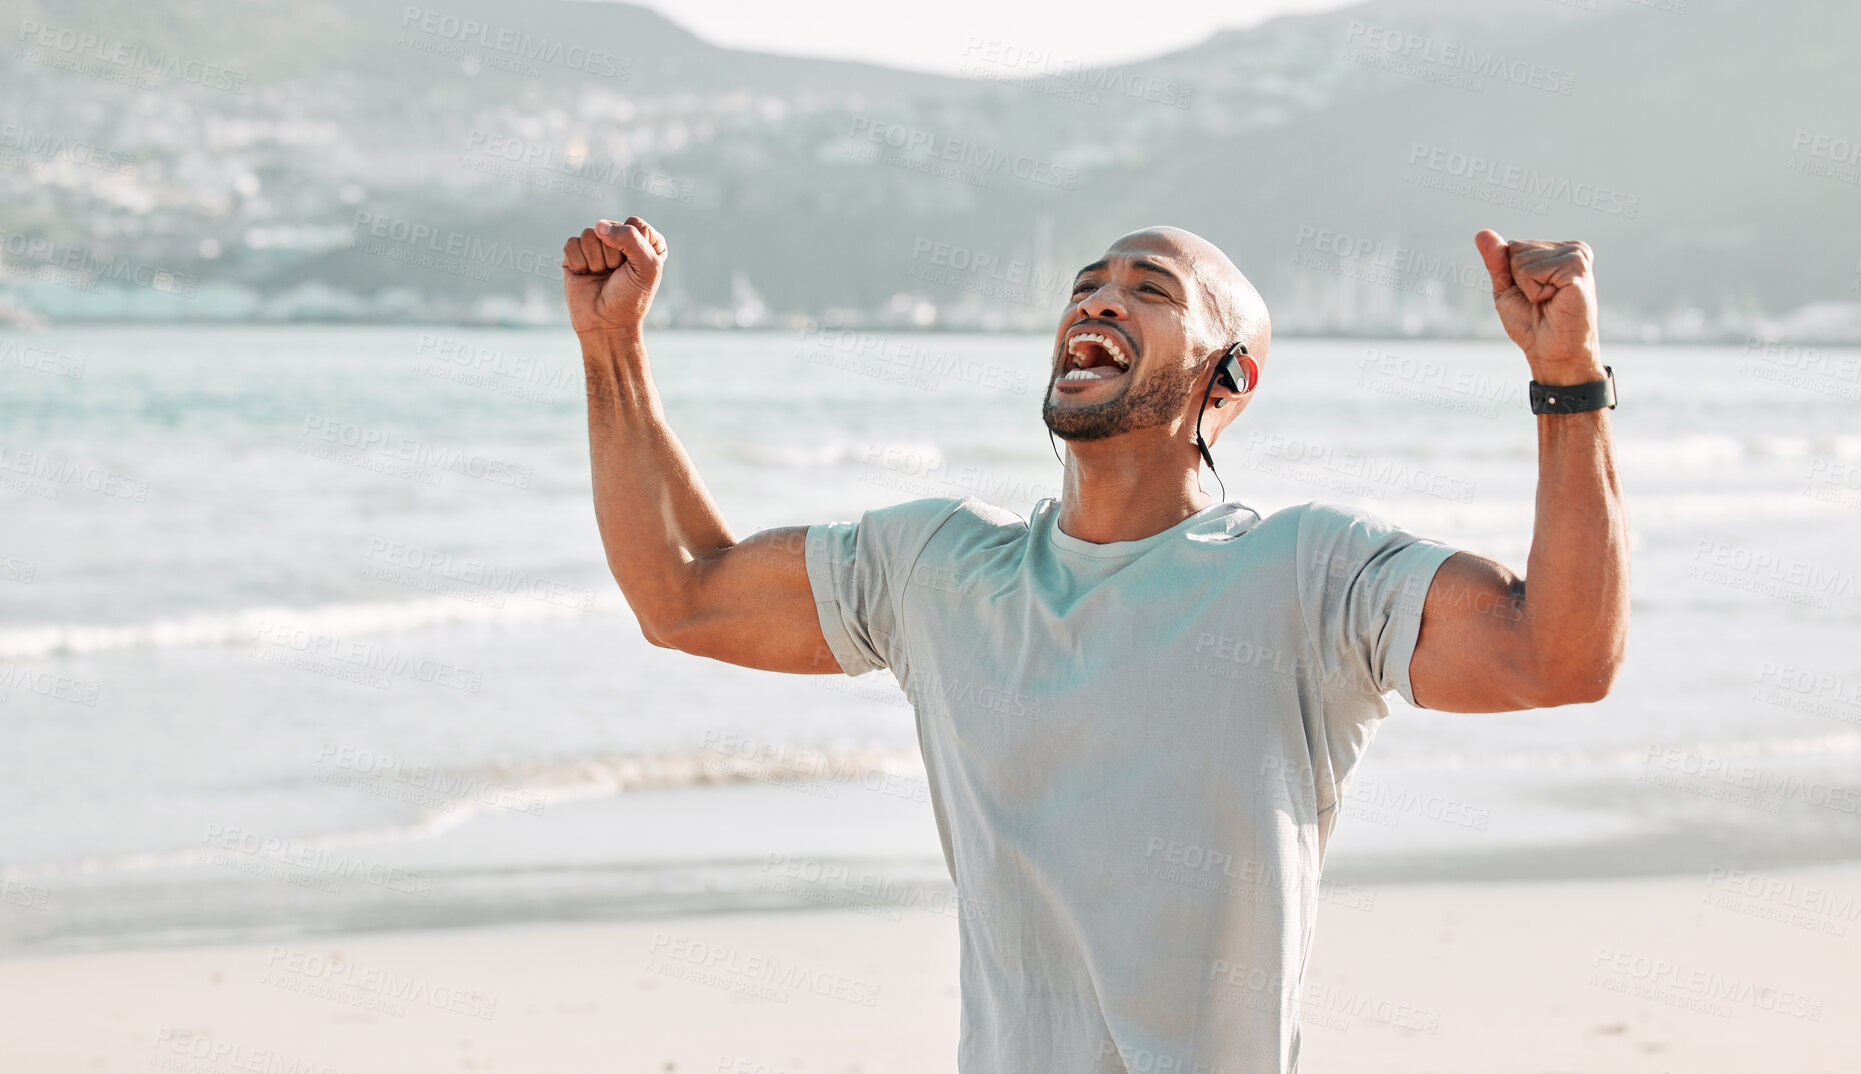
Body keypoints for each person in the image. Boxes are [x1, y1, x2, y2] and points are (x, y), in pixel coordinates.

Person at [560, 217, 1628, 1073]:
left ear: (1229, 380)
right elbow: (683, 596)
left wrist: (1569, 379)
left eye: (1151, 289)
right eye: (1089, 284)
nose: (1099, 297)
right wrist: (612, 350)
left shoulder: (1309, 574)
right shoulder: (939, 566)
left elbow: (1559, 657)